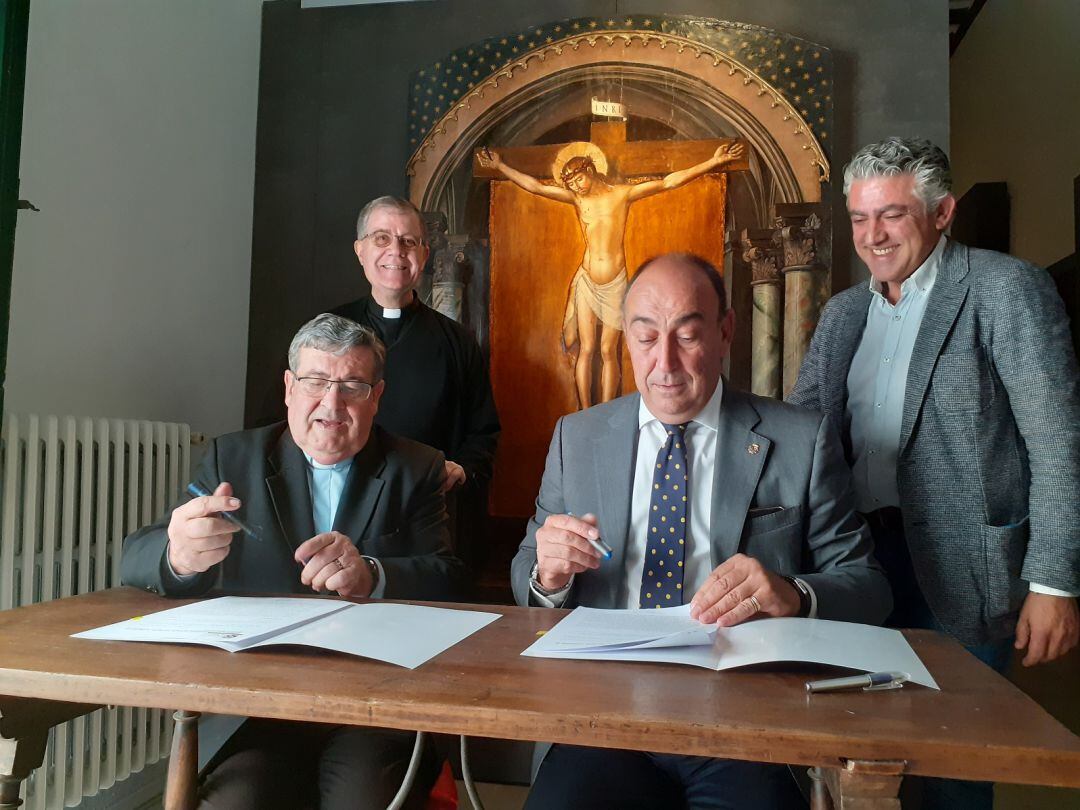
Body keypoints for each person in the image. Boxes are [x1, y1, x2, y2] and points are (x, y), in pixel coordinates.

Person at [511, 252, 891, 810]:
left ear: (725, 331)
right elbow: (526, 575)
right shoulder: (577, 438)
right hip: (604, 716)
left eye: (687, 336)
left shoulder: (800, 440)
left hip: (745, 718)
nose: (664, 364)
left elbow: (868, 586)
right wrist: (548, 574)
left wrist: (791, 592)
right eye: (644, 338)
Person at [788, 137, 1080, 809]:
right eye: (860, 218)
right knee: (856, 762)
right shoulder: (841, 315)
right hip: (854, 566)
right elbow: (799, 434)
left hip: (964, 574)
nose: (872, 235)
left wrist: (1055, 583)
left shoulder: (1006, 290)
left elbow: (1058, 443)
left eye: (892, 214)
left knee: (949, 769)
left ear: (942, 212)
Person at [122, 313, 464, 810]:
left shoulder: (418, 467)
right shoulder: (231, 459)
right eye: (316, 382)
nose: (332, 403)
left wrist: (372, 573)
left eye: (352, 385)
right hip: (254, 709)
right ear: (288, 388)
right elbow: (134, 557)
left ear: (377, 396)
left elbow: (450, 581)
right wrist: (179, 554)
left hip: (371, 707)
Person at [478, 142, 745, 408]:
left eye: (579, 179)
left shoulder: (621, 194)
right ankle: (584, 411)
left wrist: (713, 162)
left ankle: (605, 409)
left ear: (592, 170)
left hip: (615, 282)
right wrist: (500, 166)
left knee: (608, 351)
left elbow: (667, 183)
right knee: (586, 349)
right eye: (571, 184)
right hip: (587, 280)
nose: (577, 186)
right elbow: (536, 187)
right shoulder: (578, 199)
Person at [333, 196, 499, 497]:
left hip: (425, 504)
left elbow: (483, 433)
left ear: (424, 255)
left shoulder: (457, 341)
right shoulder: (324, 334)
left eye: (408, 241)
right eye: (381, 238)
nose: (396, 251)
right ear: (360, 250)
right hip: (339, 498)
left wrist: (461, 468)